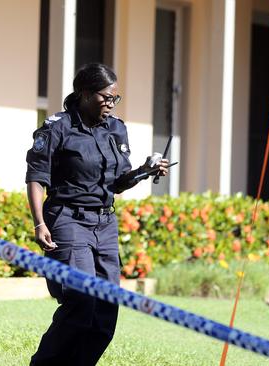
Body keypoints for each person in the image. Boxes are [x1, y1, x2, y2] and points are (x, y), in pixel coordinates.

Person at [25, 63, 169, 366]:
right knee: (80, 301)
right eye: (106, 98)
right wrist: (39, 222)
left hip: (104, 223)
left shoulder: (116, 128)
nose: (111, 104)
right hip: (67, 219)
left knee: (105, 311)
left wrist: (145, 170)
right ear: (85, 94)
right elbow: (37, 176)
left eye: (115, 98)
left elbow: (117, 182)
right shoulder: (58, 127)